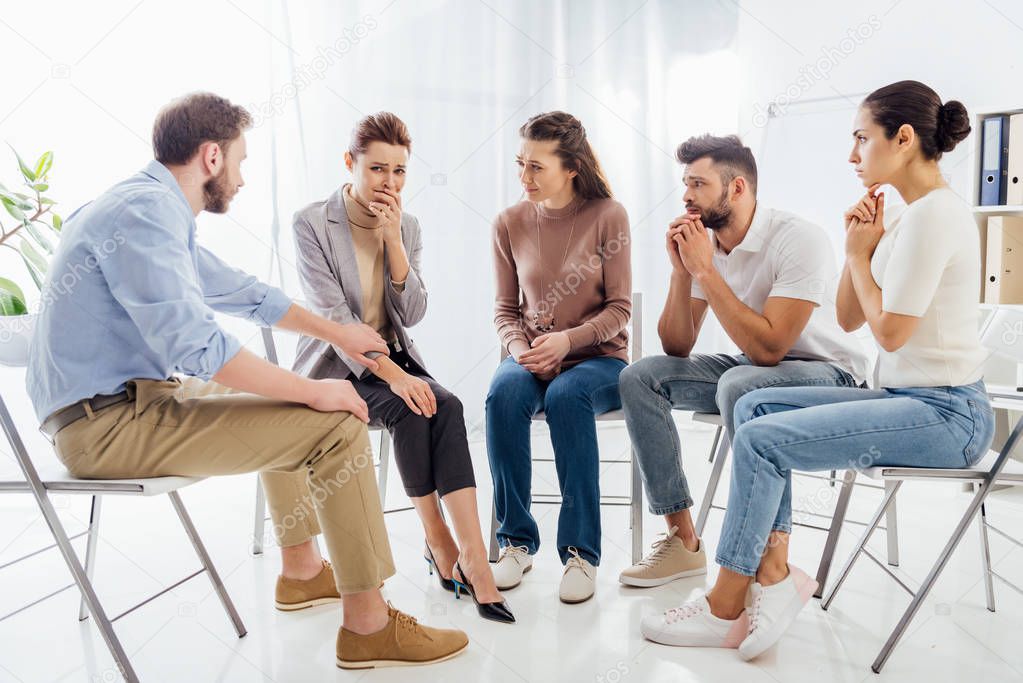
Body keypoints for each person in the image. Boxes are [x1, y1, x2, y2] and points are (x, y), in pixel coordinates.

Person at [25, 92, 469, 670]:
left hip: (121, 409)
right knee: (335, 422)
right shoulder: (145, 214)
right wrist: (316, 388)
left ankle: (303, 571)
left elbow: (241, 292)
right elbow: (197, 347)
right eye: (239, 159)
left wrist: (337, 334)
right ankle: (369, 627)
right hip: (108, 426)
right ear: (212, 157)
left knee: (280, 393)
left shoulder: (141, 207)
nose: (241, 175)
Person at [640, 80, 996, 661]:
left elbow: (890, 333)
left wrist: (858, 255)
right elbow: (853, 317)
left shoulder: (935, 218)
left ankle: (728, 603)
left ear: (903, 139)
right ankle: (775, 573)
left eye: (862, 139)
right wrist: (860, 245)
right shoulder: (905, 217)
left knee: (759, 436)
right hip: (908, 398)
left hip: (950, 414)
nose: (853, 155)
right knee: (751, 404)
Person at [618, 134, 870, 588]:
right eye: (685, 184)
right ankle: (682, 542)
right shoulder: (706, 246)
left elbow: (769, 350)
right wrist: (681, 272)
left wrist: (705, 273)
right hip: (752, 368)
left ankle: (770, 558)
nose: (687, 197)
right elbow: (676, 346)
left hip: (829, 374)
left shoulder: (799, 239)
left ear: (736, 189)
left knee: (742, 384)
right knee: (640, 377)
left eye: (698, 183)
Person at [290, 111, 512, 623]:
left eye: (399, 171)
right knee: (412, 408)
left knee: (448, 405)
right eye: (376, 170)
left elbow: (412, 313)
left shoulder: (407, 226)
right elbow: (334, 319)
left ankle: (475, 560)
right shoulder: (311, 223)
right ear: (351, 163)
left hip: (395, 359)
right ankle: (437, 538)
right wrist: (396, 376)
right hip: (335, 371)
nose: (389, 183)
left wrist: (393, 244)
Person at [486, 111, 631, 604]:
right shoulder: (508, 222)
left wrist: (568, 342)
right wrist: (521, 350)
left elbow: (620, 309)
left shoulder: (608, 214)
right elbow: (506, 311)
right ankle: (516, 543)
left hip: (599, 359)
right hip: (530, 355)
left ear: (571, 167)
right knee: (502, 393)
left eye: (536, 167)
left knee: (569, 396)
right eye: (519, 164)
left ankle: (581, 554)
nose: (524, 177)